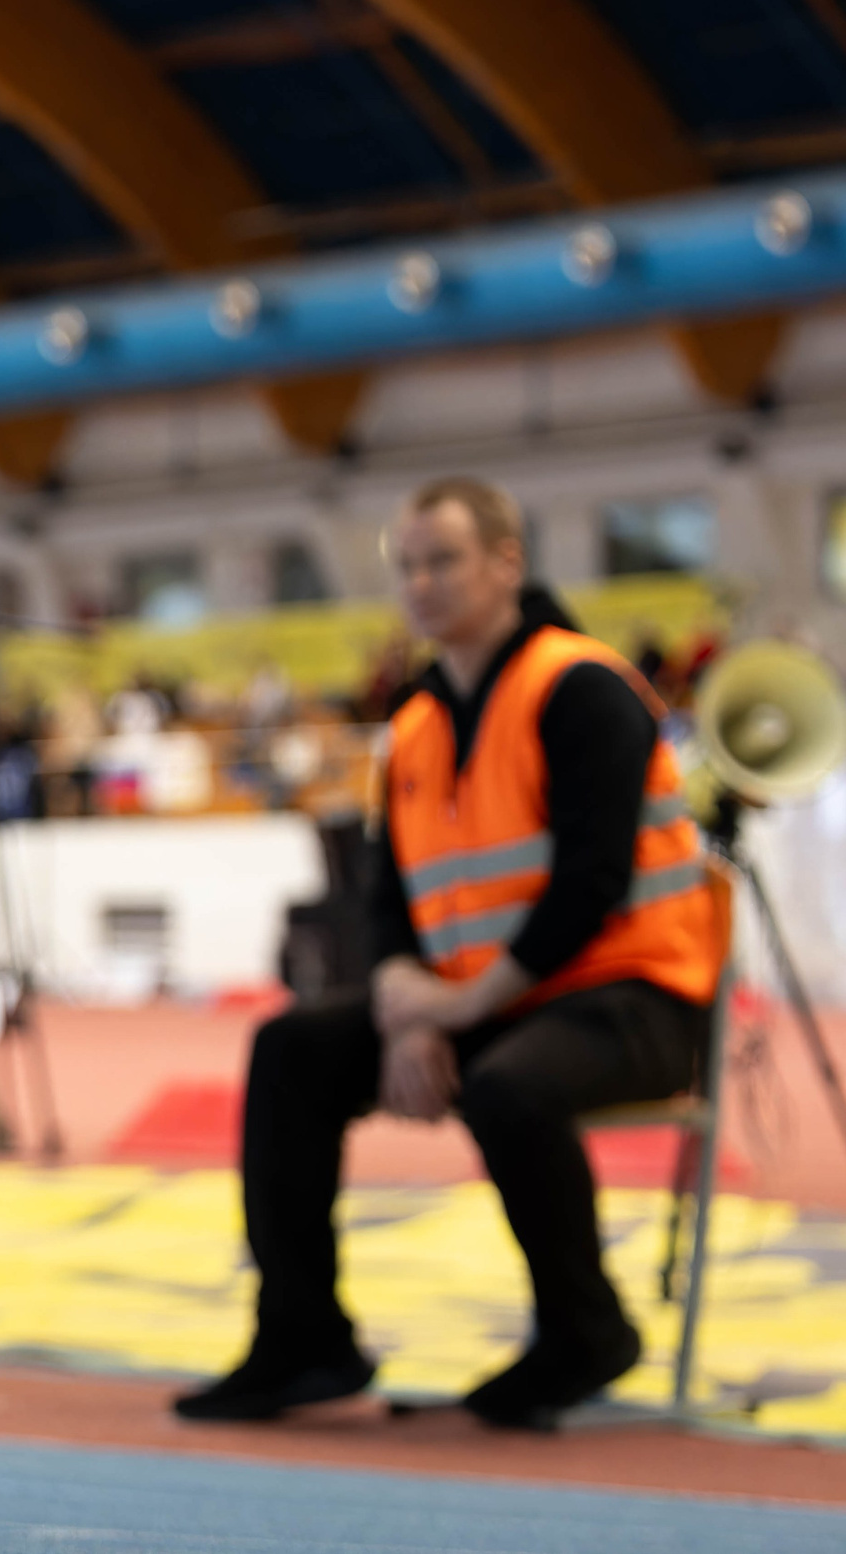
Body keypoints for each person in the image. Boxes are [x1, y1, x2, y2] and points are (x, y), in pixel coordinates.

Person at [175, 477, 717, 1430]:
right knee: (291, 1049)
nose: (421, 584)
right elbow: (388, 902)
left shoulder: (582, 688)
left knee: (511, 1087)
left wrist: (459, 1010)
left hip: (636, 1000)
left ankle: (586, 1331)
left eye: (445, 561)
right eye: (409, 566)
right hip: (494, 1004)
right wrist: (406, 1010)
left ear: (507, 563)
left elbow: (589, 884)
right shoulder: (417, 723)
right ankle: (304, 1339)